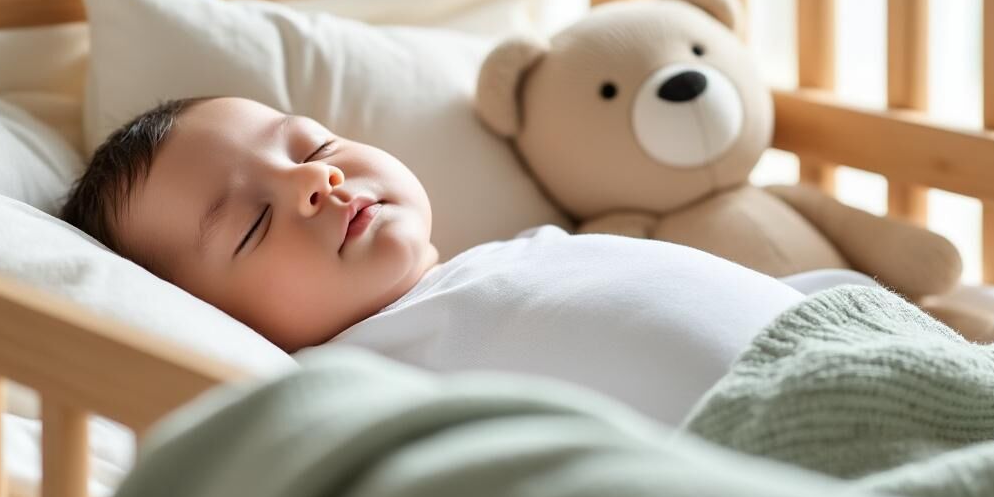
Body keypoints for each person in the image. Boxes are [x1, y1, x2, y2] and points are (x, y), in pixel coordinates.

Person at [62, 95, 871, 426]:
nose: (317, 179)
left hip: (856, 350)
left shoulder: (520, 248)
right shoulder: (349, 386)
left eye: (313, 146)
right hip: (784, 448)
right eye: (248, 225)